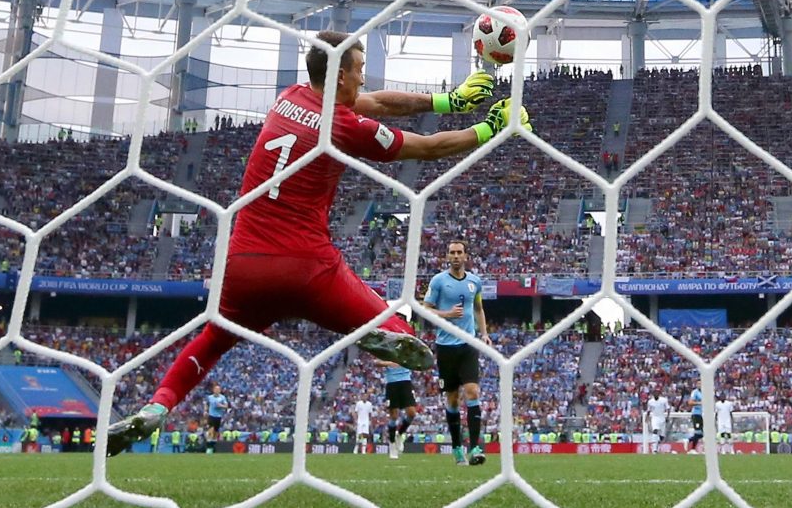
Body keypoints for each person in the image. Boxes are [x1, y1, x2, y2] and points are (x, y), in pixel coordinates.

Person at [106, 31, 529, 457]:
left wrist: (446, 102)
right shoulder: (342, 125)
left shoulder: (288, 96)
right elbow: (427, 148)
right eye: (360, 71)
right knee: (396, 327)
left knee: (214, 338)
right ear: (342, 74)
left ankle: (158, 406)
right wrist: (492, 127)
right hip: (307, 267)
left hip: (245, 264)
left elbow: (379, 103)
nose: (363, 80)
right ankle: (378, 334)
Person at [424, 240, 492, 467]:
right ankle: (456, 448)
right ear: (447, 256)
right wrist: (447, 314)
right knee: (452, 398)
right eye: (451, 252)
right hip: (445, 348)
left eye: (459, 252)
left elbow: (479, 309)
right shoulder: (439, 281)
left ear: (465, 256)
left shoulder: (475, 281)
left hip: (468, 345)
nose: (455, 256)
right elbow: (426, 310)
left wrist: (483, 334)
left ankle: (475, 447)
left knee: (472, 391)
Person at [375, 356, 418, 460]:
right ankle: (392, 444)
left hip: (406, 382)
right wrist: (389, 363)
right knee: (394, 415)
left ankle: (400, 434)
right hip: (392, 383)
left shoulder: (407, 347)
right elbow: (376, 361)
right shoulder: (388, 349)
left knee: (412, 413)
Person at [205, 384, 229, 454]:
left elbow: (226, 406)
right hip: (211, 415)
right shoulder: (210, 397)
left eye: (218, 389)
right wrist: (205, 411)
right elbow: (206, 404)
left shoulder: (222, 397)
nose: (217, 391)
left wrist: (220, 406)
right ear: (213, 390)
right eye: (216, 389)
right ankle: (208, 448)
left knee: (215, 432)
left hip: (218, 416)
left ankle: (212, 447)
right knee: (211, 430)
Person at [645, 389, 670, 454]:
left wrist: (667, 417)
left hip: (662, 418)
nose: (656, 394)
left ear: (659, 394)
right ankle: (654, 449)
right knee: (655, 431)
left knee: (662, 436)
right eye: (654, 393)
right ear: (653, 394)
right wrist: (647, 418)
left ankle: (656, 443)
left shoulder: (664, 400)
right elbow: (648, 410)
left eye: (657, 393)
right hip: (655, 417)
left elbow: (668, 408)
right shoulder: (650, 401)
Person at [687, 380, 703, 454]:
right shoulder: (695, 392)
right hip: (696, 414)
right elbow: (690, 402)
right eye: (698, 384)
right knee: (698, 432)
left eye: (701, 384)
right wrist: (699, 403)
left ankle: (690, 441)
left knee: (701, 433)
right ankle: (692, 448)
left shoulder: (706, 392)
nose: (699, 385)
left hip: (704, 414)